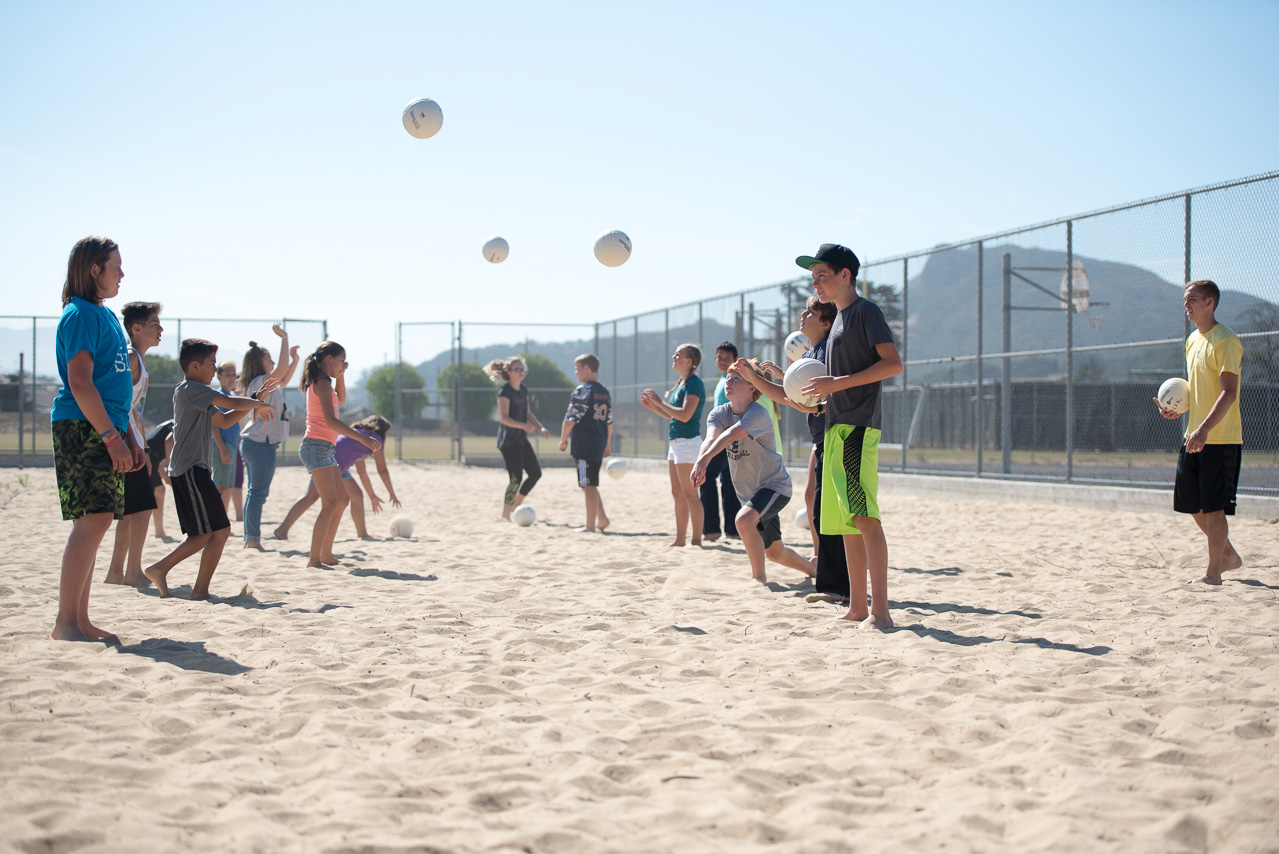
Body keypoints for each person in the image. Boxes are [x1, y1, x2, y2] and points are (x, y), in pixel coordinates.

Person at [797, 243, 902, 630]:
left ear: (846, 275)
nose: (816, 283)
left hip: (858, 428)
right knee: (846, 523)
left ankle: (881, 612)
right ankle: (858, 607)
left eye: (822, 275)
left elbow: (893, 364)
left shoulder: (864, 312)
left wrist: (837, 383)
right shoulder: (839, 319)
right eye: (813, 278)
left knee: (864, 517)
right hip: (836, 428)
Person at [49, 236, 144, 641]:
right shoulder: (80, 314)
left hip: (106, 427)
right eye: (115, 266)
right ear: (94, 270)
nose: (122, 273)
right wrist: (110, 437)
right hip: (82, 427)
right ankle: (66, 622)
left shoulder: (103, 315)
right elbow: (81, 383)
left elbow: (112, 387)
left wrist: (129, 435)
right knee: (91, 522)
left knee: (99, 520)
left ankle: (81, 620)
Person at [733, 295, 850, 604]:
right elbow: (790, 398)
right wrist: (755, 377)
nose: (802, 315)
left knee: (835, 514)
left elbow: (819, 400)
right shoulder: (813, 353)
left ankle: (837, 586)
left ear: (825, 322)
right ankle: (831, 582)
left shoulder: (830, 352)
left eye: (809, 312)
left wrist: (811, 404)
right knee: (819, 509)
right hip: (823, 439)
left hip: (837, 437)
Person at [143, 338, 276, 598]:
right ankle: (160, 568)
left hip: (198, 470)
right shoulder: (190, 389)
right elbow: (232, 404)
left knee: (220, 531)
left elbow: (226, 420)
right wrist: (256, 403)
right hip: (190, 471)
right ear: (194, 366)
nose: (215, 370)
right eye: (211, 364)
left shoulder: (198, 394)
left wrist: (254, 402)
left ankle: (199, 590)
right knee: (203, 534)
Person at [691, 364, 816, 583]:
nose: (729, 381)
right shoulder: (719, 413)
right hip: (751, 493)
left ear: (752, 387)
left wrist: (704, 460)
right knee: (776, 553)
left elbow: (729, 436)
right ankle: (816, 571)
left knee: (743, 521)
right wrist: (700, 461)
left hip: (775, 487)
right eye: (728, 377)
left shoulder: (758, 413)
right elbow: (711, 439)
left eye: (736, 378)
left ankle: (758, 580)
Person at [1155, 279, 1244, 586]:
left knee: (1215, 508)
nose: (1186, 305)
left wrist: (1205, 429)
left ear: (1210, 303)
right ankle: (1228, 556)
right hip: (1195, 434)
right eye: (1185, 300)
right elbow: (1198, 392)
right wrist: (1176, 410)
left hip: (1219, 438)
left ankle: (1214, 573)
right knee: (1192, 504)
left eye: (1192, 299)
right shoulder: (1193, 340)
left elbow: (1229, 393)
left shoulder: (1226, 340)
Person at [297, 341, 380, 567]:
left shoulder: (327, 384)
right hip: (315, 446)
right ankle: (315, 559)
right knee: (331, 502)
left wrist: (341, 375)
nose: (343, 363)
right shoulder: (321, 384)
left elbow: (341, 400)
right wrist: (362, 438)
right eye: (341, 360)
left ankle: (325, 554)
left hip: (324, 448)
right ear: (328, 359)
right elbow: (331, 421)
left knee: (342, 500)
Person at [105, 301, 164, 587]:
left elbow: (135, 410)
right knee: (140, 509)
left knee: (132, 511)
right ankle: (131, 572)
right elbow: (117, 404)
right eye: (155, 324)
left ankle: (117, 573)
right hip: (127, 444)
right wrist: (131, 442)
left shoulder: (139, 360)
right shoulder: (129, 357)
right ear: (136, 328)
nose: (160, 329)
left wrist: (144, 446)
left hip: (136, 444)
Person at [272, 415, 401, 540]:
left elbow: (362, 472)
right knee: (311, 496)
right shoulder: (374, 439)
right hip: (329, 463)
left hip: (336, 464)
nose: (386, 436)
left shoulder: (359, 435)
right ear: (381, 430)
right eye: (387, 433)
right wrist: (392, 494)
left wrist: (372, 495)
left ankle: (362, 533)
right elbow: (382, 470)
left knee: (356, 494)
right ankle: (282, 530)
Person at [238, 325, 299, 549]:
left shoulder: (261, 383)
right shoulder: (262, 380)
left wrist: (294, 362)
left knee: (255, 492)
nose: (273, 363)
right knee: (257, 494)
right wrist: (284, 338)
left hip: (256, 443)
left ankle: (250, 538)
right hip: (260, 444)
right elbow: (280, 371)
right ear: (259, 362)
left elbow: (283, 379)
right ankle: (252, 540)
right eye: (269, 359)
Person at [641, 343, 706, 547]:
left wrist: (660, 403)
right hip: (676, 443)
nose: (674, 357)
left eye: (678, 355)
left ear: (690, 361)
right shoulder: (682, 383)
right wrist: (655, 408)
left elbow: (685, 416)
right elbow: (674, 417)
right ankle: (680, 539)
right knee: (677, 493)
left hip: (688, 443)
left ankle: (696, 540)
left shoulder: (694, 383)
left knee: (689, 494)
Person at [485, 356, 551, 521]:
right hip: (509, 441)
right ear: (509, 372)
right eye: (517, 369)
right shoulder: (505, 392)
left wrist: (540, 427)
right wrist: (523, 426)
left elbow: (527, 413)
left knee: (535, 473)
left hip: (521, 439)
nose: (521, 372)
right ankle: (505, 515)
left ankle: (516, 506)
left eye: (523, 369)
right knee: (516, 478)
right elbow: (504, 418)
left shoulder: (523, 389)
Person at [559, 354, 612, 533]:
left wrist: (563, 439)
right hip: (599, 442)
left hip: (584, 444)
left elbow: (570, 419)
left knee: (587, 485)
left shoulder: (583, 390)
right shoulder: (604, 390)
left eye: (578, 368)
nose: (576, 373)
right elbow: (609, 421)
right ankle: (602, 518)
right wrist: (608, 443)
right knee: (591, 482)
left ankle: (590, 526)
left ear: (587, 368)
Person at [698, 342, 741, 541]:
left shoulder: (733, 381)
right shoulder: (722, 380)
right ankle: (732, 530)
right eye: (720, 358)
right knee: (728, 483)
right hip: (724, 438)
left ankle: (712, 529)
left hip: (727, 438)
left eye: (727, 359)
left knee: (706, 477)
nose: (723, 362)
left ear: (735, 360)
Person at [210, 361, 244, 515]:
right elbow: (213, 425)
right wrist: (222, 449)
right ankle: (217, 520)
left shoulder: (231, 396)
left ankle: (223, 519)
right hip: (221, 445)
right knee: (220, 484)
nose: (232, 378)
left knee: (229, 485)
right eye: (228, 375)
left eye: (234, 375)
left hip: (231, 445)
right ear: (219, 377)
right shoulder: (220, 397)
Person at [145, 419, 175, 539]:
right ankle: (144, 530)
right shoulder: (176, 424)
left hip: (153, 456)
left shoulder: (168, 423)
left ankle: (159, 531)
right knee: (149, 495)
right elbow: (169, 442)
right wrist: (169, 469)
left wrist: (165, 476)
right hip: (148, 456)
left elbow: (158, 451)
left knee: (160, 491)